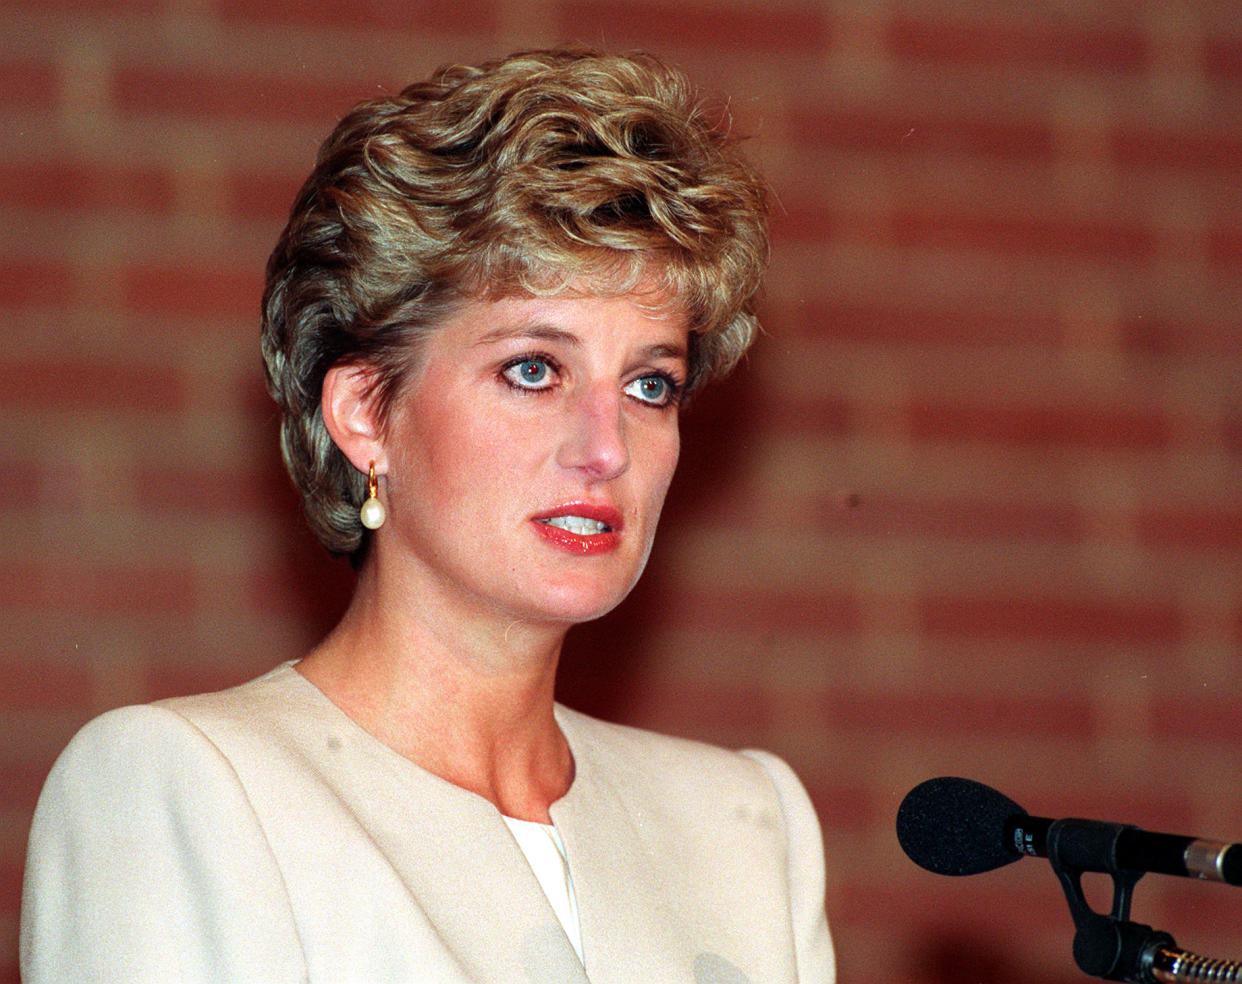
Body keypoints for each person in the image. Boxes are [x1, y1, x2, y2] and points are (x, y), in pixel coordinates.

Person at [20, 46, 834, 984]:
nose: (605, 448)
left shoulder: (746, 826)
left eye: (650, 384)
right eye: (534, 369)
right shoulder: (189, 789)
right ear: (367, 414)